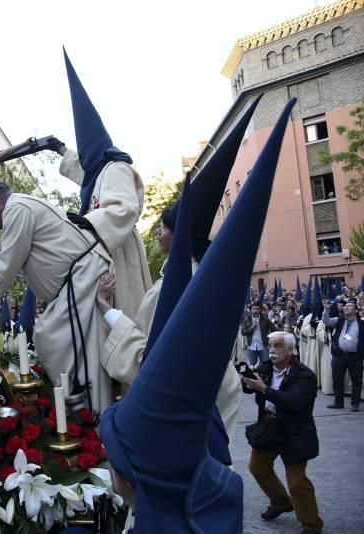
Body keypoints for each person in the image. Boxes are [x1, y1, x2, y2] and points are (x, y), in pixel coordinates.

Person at [98, 97, 297, 532]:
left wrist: (109, 315)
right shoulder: (183, 272)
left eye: (164, 226)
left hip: (187, 417)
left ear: (174, 232)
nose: (159, 232)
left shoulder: (183, 281)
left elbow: (151, 362)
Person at [0, 179, 113, 413]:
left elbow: (5, 266)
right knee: (60, 343)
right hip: (77, 281)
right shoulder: (19, 207)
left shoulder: (17, 209)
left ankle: (92, 415)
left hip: (83, 277)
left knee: (71, 349)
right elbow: (1, 255)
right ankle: (79, 411)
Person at [55, 49, 151, 321]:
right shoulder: (98, 173)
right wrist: (59, 149)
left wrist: (88, 223)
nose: (84, 158)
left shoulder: (117, 168)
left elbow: (124, 208)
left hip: (120, 254)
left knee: (127, 318)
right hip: (101, 253)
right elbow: (83, 171)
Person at [242, 332, 323, 533]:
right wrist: (248, 381)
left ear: (290, 350)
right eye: (270, 345)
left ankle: (312, 524)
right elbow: (251, 390)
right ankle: (280, 502)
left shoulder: (304, 375)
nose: (272, 350)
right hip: (269, 428)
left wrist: (264, 389)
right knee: (257, 467)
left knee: (297, 482)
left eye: (278, 346)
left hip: (294, 432)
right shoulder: (266, 367)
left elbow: (294, 402)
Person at [322, 300, 363, 411]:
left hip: (355, 357)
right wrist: (326, 310)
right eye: (345, 306)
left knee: (356, 380)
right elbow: (326, 321)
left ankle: (355, 404)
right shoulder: (339, 320)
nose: (346, 307)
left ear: (356, 310)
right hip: (339, 355)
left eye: (350, 306)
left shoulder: (361, 323)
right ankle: (338, 402)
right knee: (337, 379)